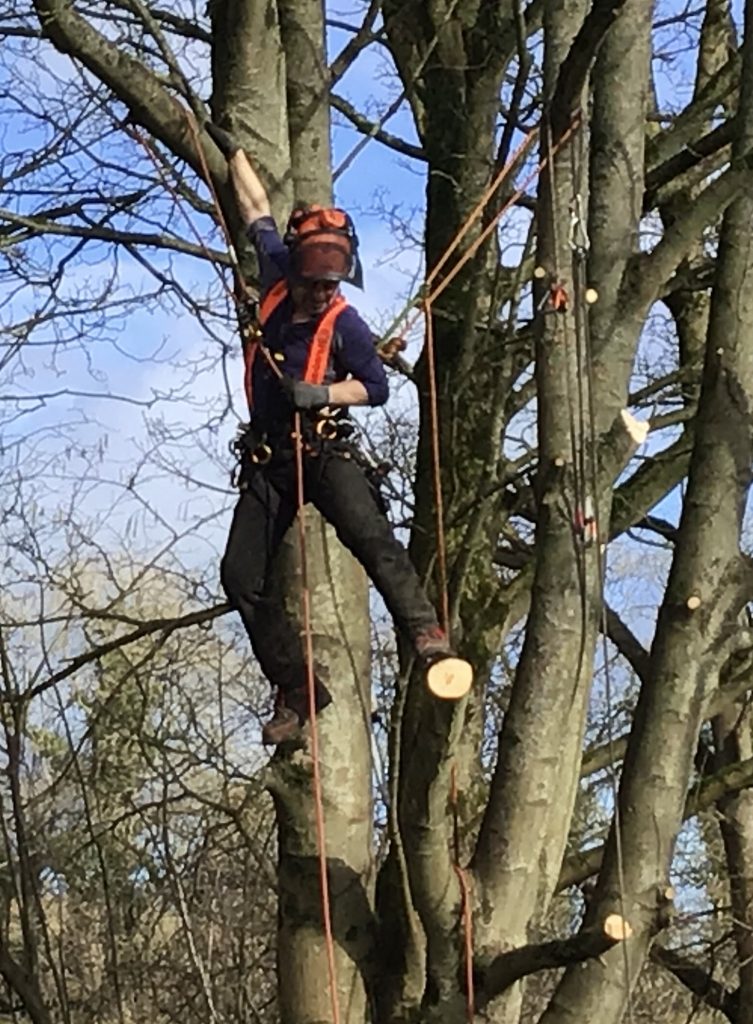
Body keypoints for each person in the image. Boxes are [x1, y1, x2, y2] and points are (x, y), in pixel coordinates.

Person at [206, 123, 468, 745]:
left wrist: (321, 392)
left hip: (322, 450)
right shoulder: (274, 271)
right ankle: (299, 686)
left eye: (332, 283)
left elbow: (374, 387)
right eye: (316, 282)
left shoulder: (345, 325)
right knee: (240, 577)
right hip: (271, 461)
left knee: (374, 540)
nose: (324, 292)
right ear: (295, 272)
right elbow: (254, 207)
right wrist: (230, 149)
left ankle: (427, 634)